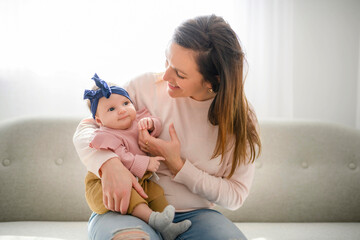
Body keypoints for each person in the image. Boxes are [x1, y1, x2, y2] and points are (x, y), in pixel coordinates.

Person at [73, 14, 261, 240]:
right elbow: (87, 129)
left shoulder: (240, 120)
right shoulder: (144, 86)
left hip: (195, 216)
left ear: (214, 81)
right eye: (167, 61)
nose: (166, 75)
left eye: (180, 74)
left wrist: (178, 165)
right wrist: (109, 163)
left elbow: (236, 195)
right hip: (128, 210)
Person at [83, 73, 191, 240]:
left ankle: (168, 228)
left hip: (139, 180)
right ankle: (152, 219)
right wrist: (146, 162)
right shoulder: (106, 135)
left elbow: (157, 124)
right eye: (111, 109)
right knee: (129, 195)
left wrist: (151, 124)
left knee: (156, 192)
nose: (122, 110)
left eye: (126, 103)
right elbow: (123, 156)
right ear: (99, 120)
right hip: (106, 184)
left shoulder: (138, 119)